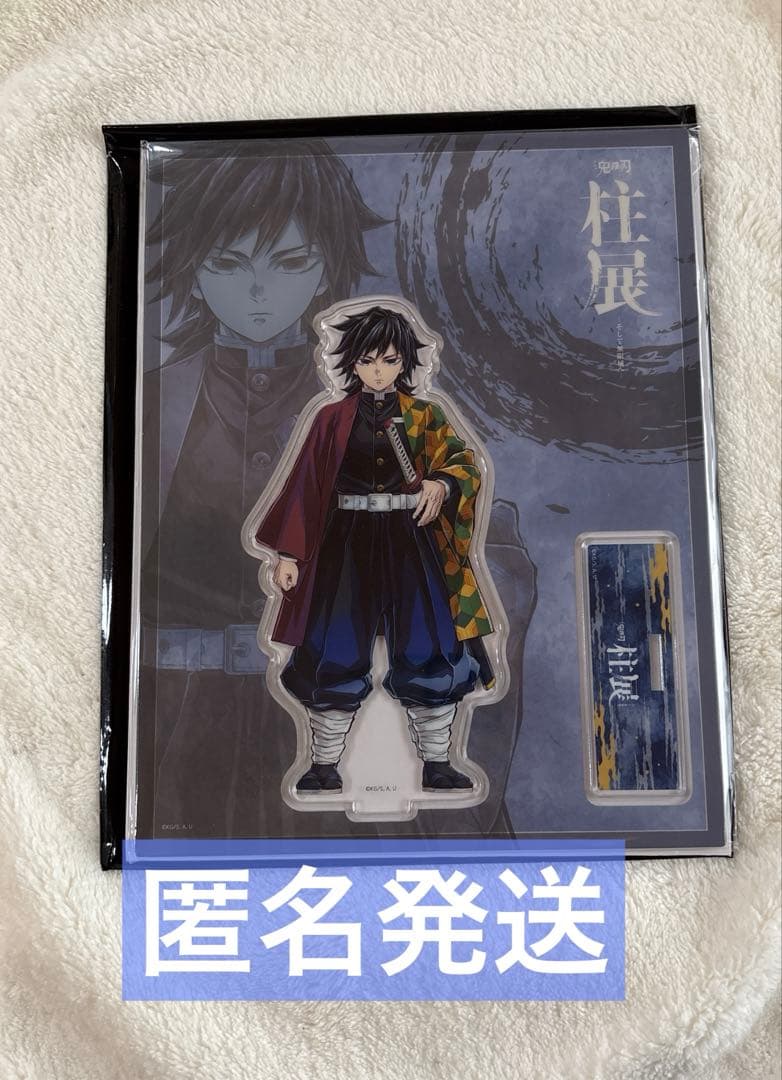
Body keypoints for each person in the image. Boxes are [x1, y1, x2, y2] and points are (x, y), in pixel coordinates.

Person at [138, 141, 387, 838]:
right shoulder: (150, 403)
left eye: (289, 262)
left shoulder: (371, 412)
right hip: (172, 719)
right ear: (193, 270)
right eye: (226, 264)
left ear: (326, 266)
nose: (257, 293)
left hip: (333, 710)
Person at [254, 305, 495, 793]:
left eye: (388, 360)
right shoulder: (331, 418)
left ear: (404, 361)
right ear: (352, 362)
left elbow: (463, 462)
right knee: (333, 644)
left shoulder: (426, 415)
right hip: (346, 542)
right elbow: (304, 485)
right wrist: (289, 554)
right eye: (367, 360)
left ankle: (437, 763)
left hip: (413, 539)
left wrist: (441, 484)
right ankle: (323, 764)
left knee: (430, 643)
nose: (378, 371)